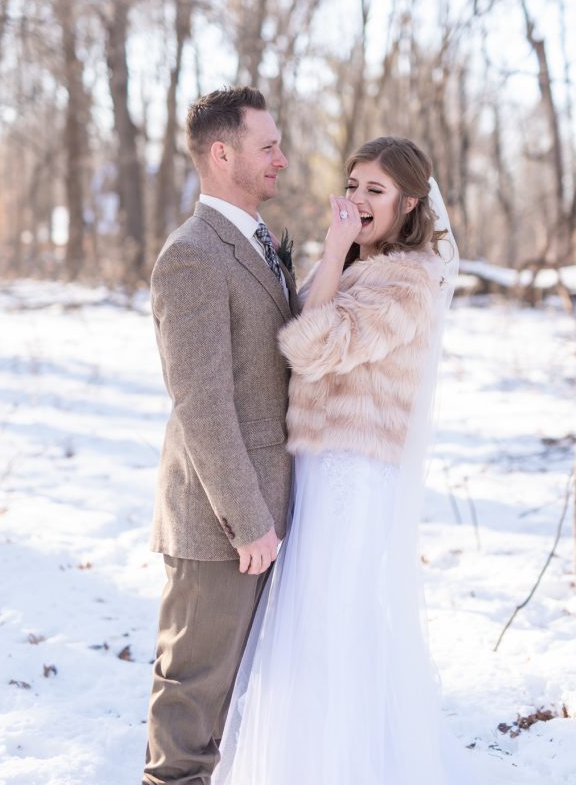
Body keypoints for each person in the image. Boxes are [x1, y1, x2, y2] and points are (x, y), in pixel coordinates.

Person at [213, 136, 478, 785]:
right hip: (318, 463)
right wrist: (335, 259)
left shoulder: (412, 277)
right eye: (354, 185)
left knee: (330, 620)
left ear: (409, 202)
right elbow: (304, 323)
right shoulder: (364, 266)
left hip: (354, 472)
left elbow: (312, 347)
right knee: (303, 619)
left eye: (376, 191)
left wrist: (331, 251)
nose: (358, 200)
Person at [143, 86, 299, 785]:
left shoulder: (257, 242)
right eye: (268, 147)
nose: (282, 159)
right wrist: (247, 522)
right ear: (221, 153)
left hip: (267, 510)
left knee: (236, 706)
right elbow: (203, 404)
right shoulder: (194, 256)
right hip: (221, 524)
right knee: (191, 707)